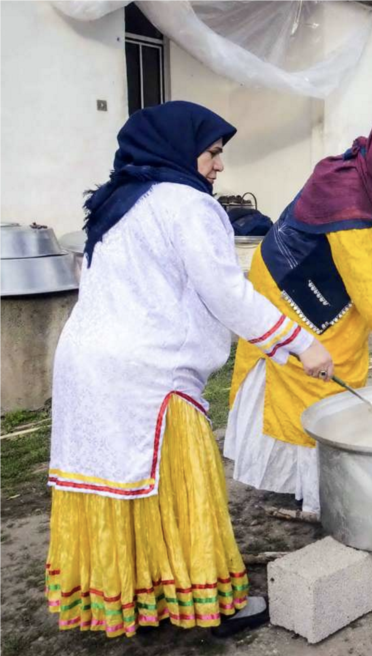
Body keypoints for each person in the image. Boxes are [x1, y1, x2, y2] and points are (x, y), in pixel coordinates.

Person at [45, 101, 334, 638]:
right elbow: (226, 292)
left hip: (86, 365)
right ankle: (207, 604)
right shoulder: (188, 205)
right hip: (147, 373)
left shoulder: (117, 203)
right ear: (182, 150)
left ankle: (136, 600)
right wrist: (301, 342)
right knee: (181, 486)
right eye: (213, 153)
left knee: (117, 486)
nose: (219, 166)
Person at [225, 118, 372, 514]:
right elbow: (363, 279)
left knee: (345, 369)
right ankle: (313, 488)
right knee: (308, 374)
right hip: (292, 284)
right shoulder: (343, 188)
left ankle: (325, 474)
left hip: (349, 289)